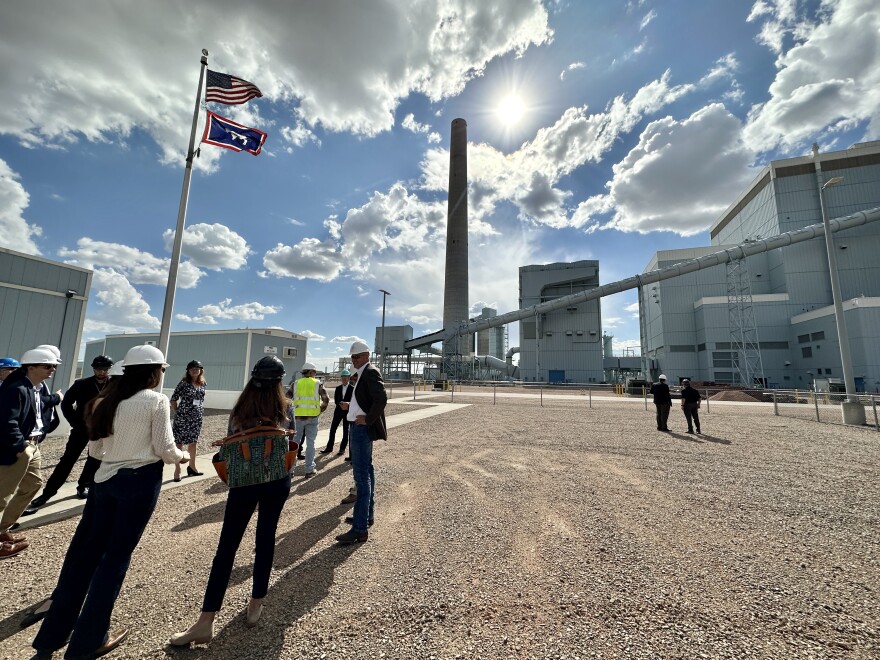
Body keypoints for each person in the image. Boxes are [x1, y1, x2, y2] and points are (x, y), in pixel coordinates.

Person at [31, 345, 188, 658]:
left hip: (103, 482)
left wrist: (116, 456)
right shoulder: (155, 401)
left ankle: (51, 638)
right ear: (154, 371)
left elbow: (95, 451)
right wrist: (182, 457)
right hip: (140, 482)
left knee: (83, 557)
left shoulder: (105, 401)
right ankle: (88, 642)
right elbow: (164, 448)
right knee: (113, 560)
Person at [170, 356, 293, 646]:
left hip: (244, 482)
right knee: (265, 539)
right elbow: (292, 438)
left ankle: (205, 620)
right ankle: (255, 604)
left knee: (227, 547)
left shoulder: (240, 408)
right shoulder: (285, 406)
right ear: (279, 381)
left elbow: (229, 445)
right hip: (276, 479)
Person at [24, 355, 114, 513]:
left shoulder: (113, 384)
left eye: (105, 369)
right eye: (99, 369)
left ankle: (83, 486)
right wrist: (75, 422)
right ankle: (47, 493)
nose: (102, 372)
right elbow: (66, 403)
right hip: (81, 428)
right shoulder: (82, 384)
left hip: (100, 429)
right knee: (67, 461)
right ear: (93, 369)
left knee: (94, 459)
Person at [0, 347, 63, 559]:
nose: (52, 369)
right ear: (32, 367)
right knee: (2, 494)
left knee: (33, 485)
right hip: (19, 448)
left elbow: (42, 408)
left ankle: (2, 530)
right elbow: (6, 421)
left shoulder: (36, 388)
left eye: (54, 366)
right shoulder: (15, 388)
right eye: (48, 366)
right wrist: (20, 448)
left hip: (33, 445)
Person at [336, 341, 387, 546]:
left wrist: (367, 419)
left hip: (361, 430)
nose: (353, 361)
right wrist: (351, 406)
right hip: (358, 427)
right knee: (367, 471)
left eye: (356, 357)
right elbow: (366, 399)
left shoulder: (370, 372)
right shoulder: (363, 373)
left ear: (366, 355)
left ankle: (359, 529)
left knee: (361, 476)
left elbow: (381, 398)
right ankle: (366, 517)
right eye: (352, 358)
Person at [171, 360, 207, 481]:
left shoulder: (203, 383)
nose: (195, 370)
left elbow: (201, 400)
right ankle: (177, 470)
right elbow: (173, 399)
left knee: (193, 442)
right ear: (188, 371)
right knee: (179, 443)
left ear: (201, 370)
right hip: (183, 418)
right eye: (192, 369)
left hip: (196, 418)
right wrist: (178, 413)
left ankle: (192, 467)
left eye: (197, 368)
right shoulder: (183, 383)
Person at [291, 362, 328, 477]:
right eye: (315, 372)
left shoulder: (295, 384)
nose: (315, 374)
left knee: (294, 444)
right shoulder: (318, 384)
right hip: (312, 418)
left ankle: (290, 470)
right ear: (311, 372)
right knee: (310, 443)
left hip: (297, 418)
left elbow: (287, 399)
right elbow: (326, 400)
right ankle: (309, 470)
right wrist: (319, 411)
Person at [321, 369, 353, 456]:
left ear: (349, 378)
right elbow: (336, 399)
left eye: (345, 377)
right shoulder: (338, 388)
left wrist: (347, 406)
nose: (344, 379)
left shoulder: (352, 389)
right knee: (333, 429)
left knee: (346, 430)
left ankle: (342, 449)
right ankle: (329, 447)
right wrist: (340, 404)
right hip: (338, 411)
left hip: (347, 412)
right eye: (342, 377)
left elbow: (353, 401)